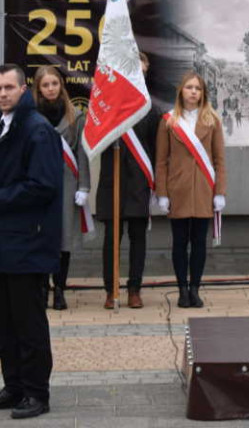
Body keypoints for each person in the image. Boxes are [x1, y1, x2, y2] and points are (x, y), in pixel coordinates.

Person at [0, 64, 62, 419]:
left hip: (28, 243)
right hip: (6, 242)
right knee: (5, 322)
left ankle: (37, 393)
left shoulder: (37, 130)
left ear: (24, 89)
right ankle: (15, 385)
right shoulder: (6, 125)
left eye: (10, 87)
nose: (3, 93)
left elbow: (43, 186)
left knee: (28, 323)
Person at [155, 71, 227, 310]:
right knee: (179, 242)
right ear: (181, 91)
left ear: (203, 93)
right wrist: (162, 193)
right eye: (189, 87)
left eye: (198, 88)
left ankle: (195, 288)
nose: (194, 92)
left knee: (198, 243)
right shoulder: (168, 121)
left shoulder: (212, 120)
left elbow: (219, 160)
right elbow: (161, 161)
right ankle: (182, 290)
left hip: (204, 191)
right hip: (178, 190)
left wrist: (220, 192)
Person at [96, 52, 159, 310]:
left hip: (138, 184)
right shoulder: (110, 106)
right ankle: (111, 290)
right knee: (111, 238)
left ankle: (134, 289)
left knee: (137, 237)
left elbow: (155, 150)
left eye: (142, 71)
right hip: (113, 181)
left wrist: (156, 187)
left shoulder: (150, 110)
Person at [31, 66, 89, 312]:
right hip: (39, 184)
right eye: (46, 85)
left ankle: (60, 290)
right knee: (43, 238)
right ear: (38, 88)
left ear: (61, 86)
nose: (51, 89)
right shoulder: (29, 116)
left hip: (67, 183)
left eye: (54, 83)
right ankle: (42, 289)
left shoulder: (75, 115)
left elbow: (81, 153)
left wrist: (84, 185)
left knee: (63, 239)